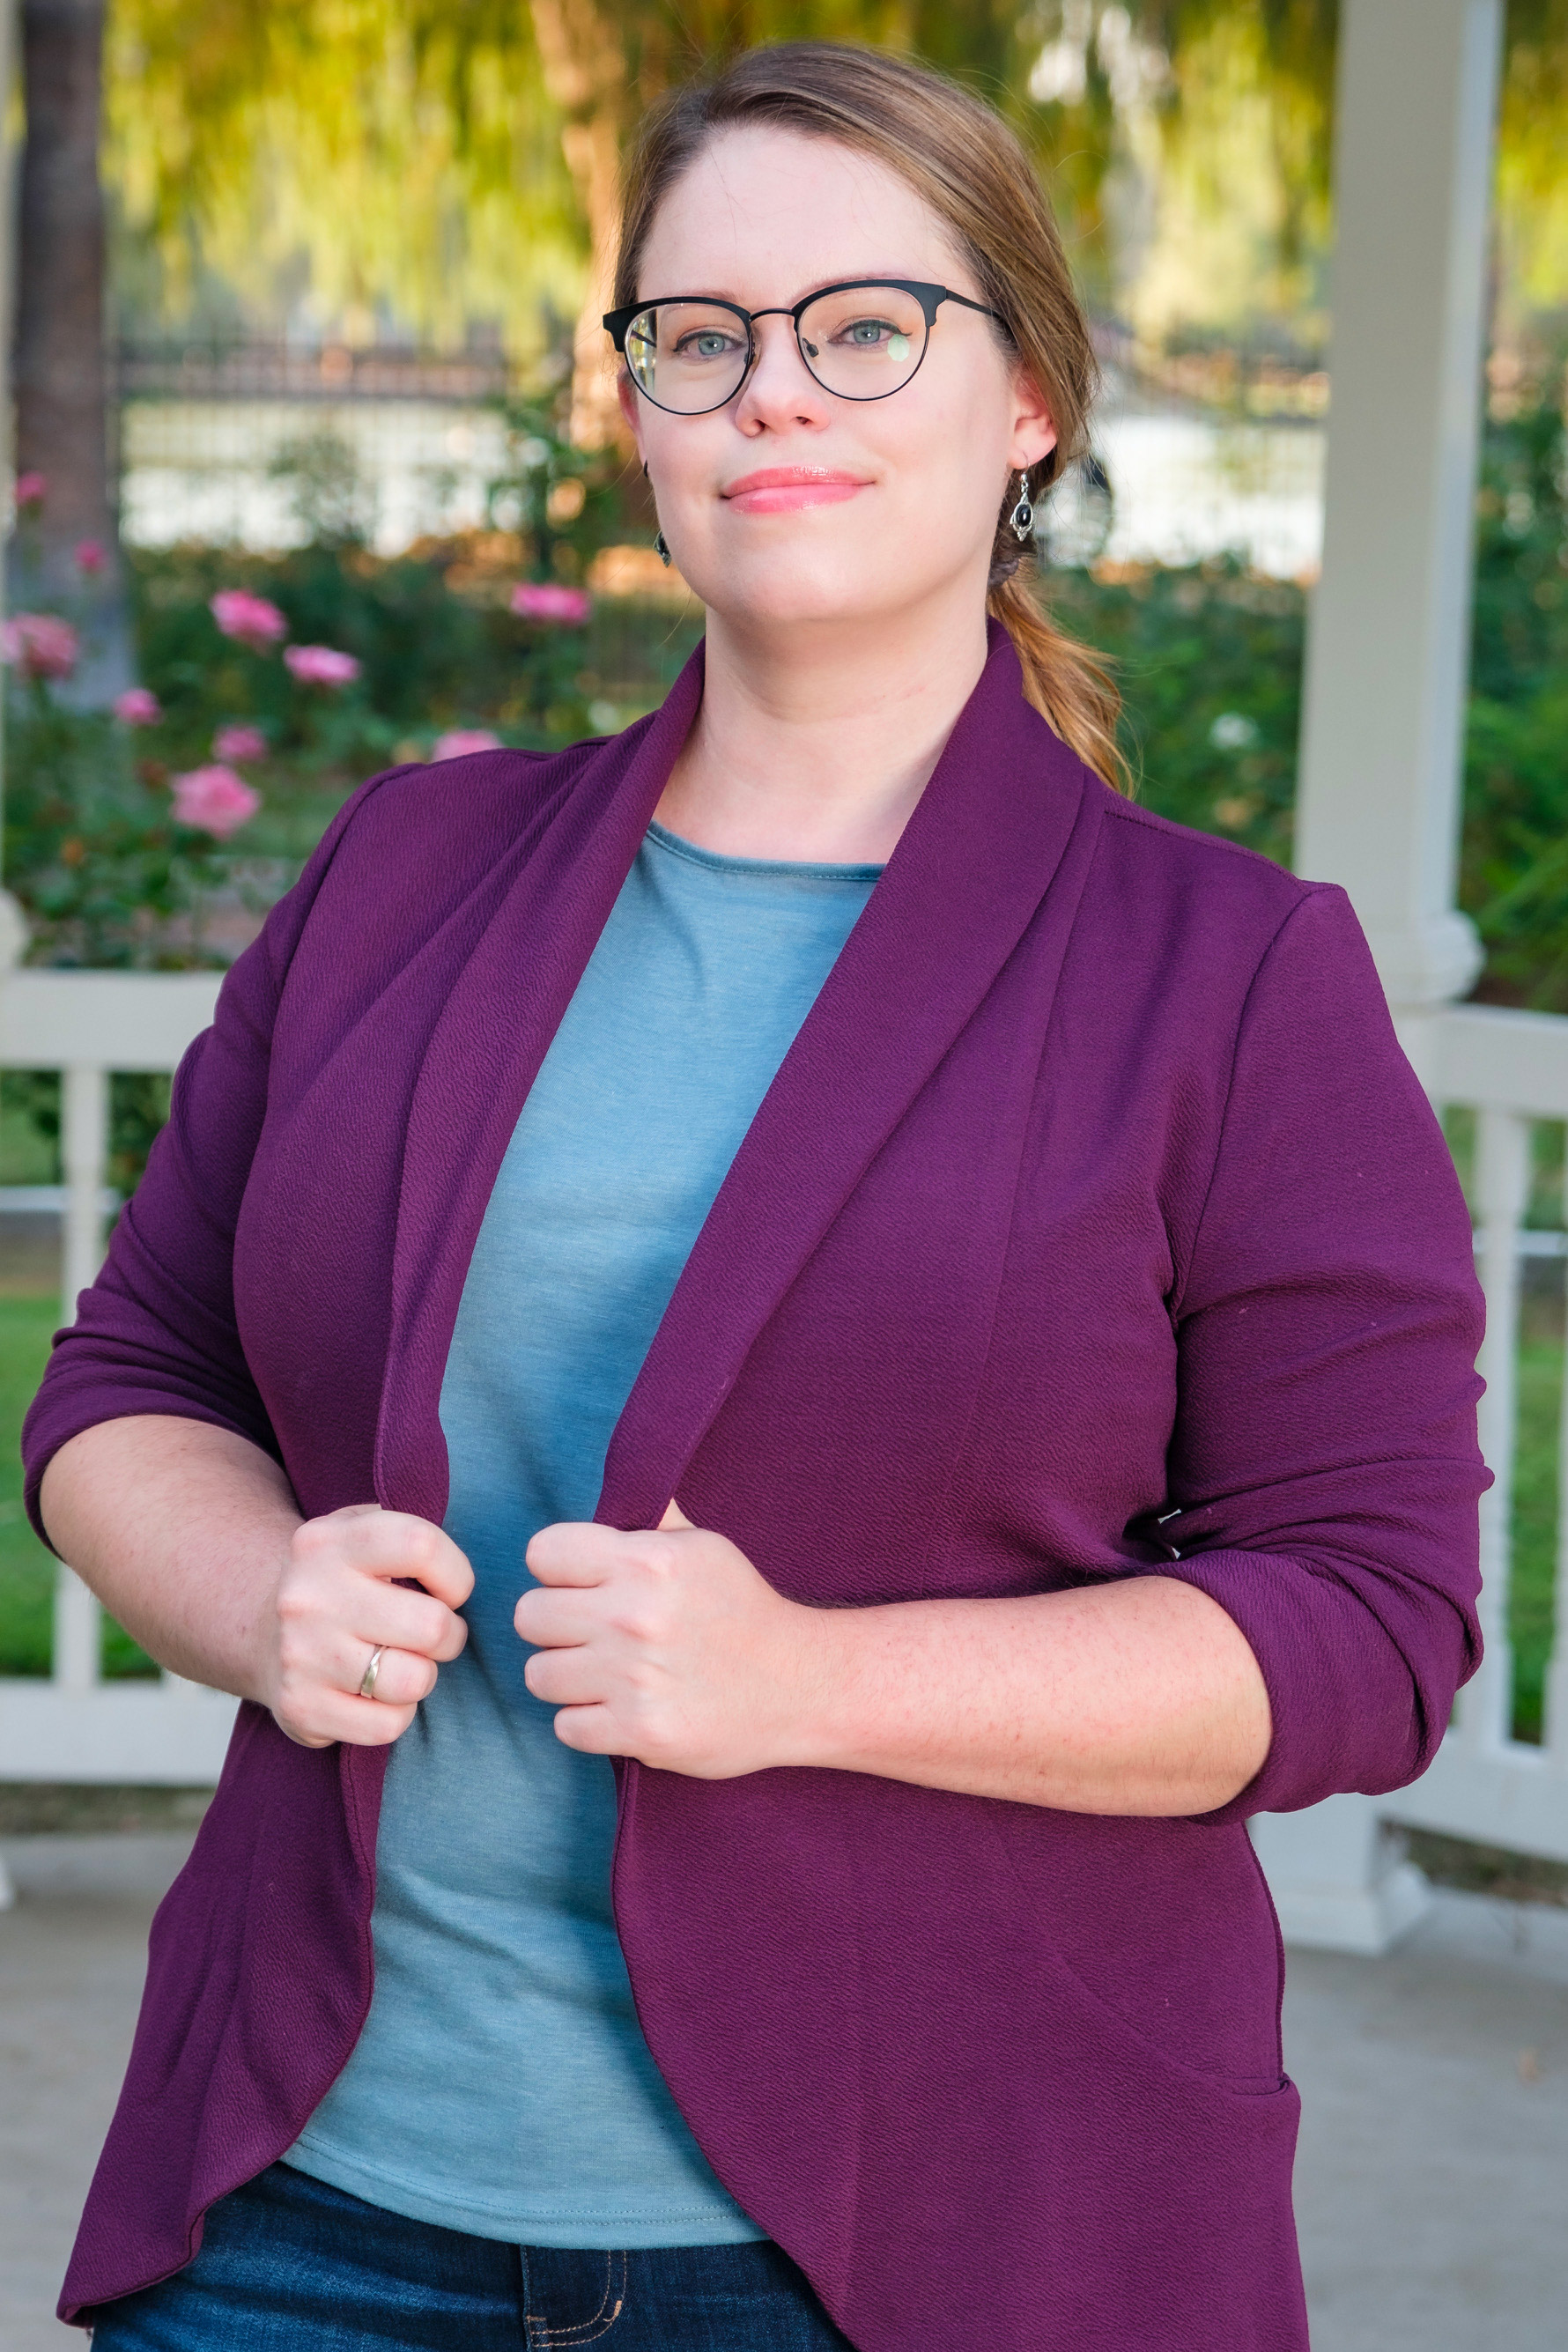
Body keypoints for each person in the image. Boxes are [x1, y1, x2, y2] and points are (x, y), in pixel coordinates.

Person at [25, 41, 1485, 2352]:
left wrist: (808, 1681)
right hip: (305, 2204)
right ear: (637, 412)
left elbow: (1365, 1630)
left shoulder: (1224, 975)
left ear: (1024, 400)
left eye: (862, 327)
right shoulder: (412, 862)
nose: (766, 394)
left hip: (915, 2238)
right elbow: (128, 1379)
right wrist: (251, 1594)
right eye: (695, 337)